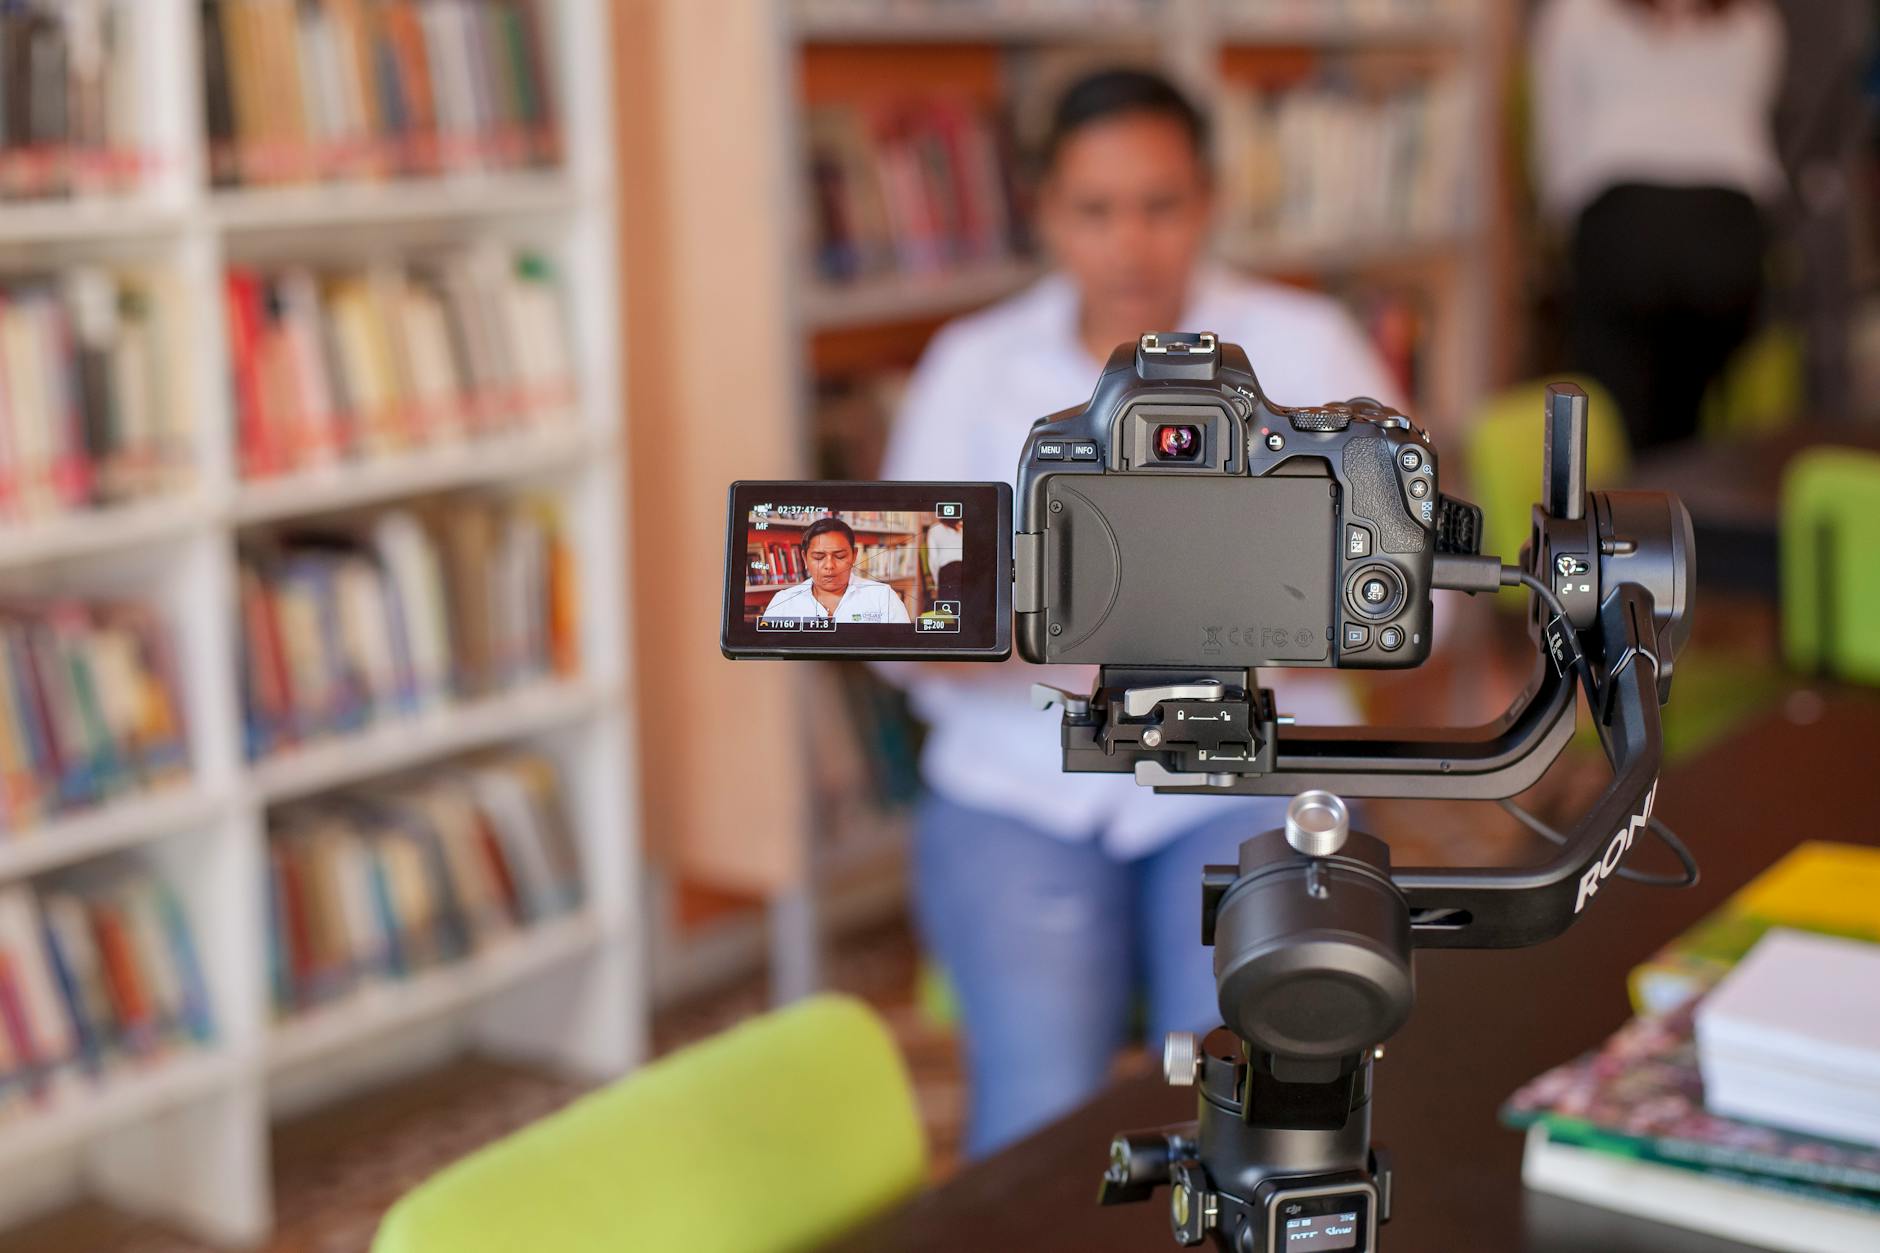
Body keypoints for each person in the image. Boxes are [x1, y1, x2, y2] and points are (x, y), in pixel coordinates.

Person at [878, 67, 1402, 1158]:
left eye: (1159, 205)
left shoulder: (1308, 348)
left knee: (1250, 1090)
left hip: (1246, 776)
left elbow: (1396, 604)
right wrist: (1047, 631)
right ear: (1045, 213)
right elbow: (902, 639)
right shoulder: (970, 369)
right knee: (1036, 1112)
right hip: (1017, 786)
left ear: (1207, 200)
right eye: (1094, 209)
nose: (1129, 245)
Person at [1532, 0, 1786, 451]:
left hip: (1625, 224)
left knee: (1619, 423)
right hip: (1727, 231)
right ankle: (1695, 510)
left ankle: (1630, 514)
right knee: (1697, 418)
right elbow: (1757, 119)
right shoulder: (1754, 19)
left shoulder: (1576, 15)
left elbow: (1557, 144)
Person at [761, 517, 910, 623]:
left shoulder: (883, 597)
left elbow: (902, 653)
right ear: (805, 559)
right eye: (819, 557)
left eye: (839, 556)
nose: (829, 565)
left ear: (854, 556)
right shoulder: (783, 601)